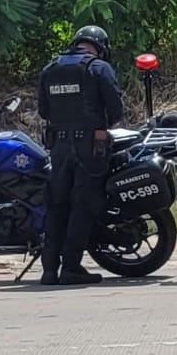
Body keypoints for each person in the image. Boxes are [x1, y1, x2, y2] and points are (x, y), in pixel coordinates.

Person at [37, 24, 123, 286]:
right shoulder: (98, 68)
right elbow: (115, 108)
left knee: (57, 205)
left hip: (59, 147)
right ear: (100, 46)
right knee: (83, 206)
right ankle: (71, 267)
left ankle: (50, 269)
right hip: (90, 147)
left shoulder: (50, 69)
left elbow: (43, 111)